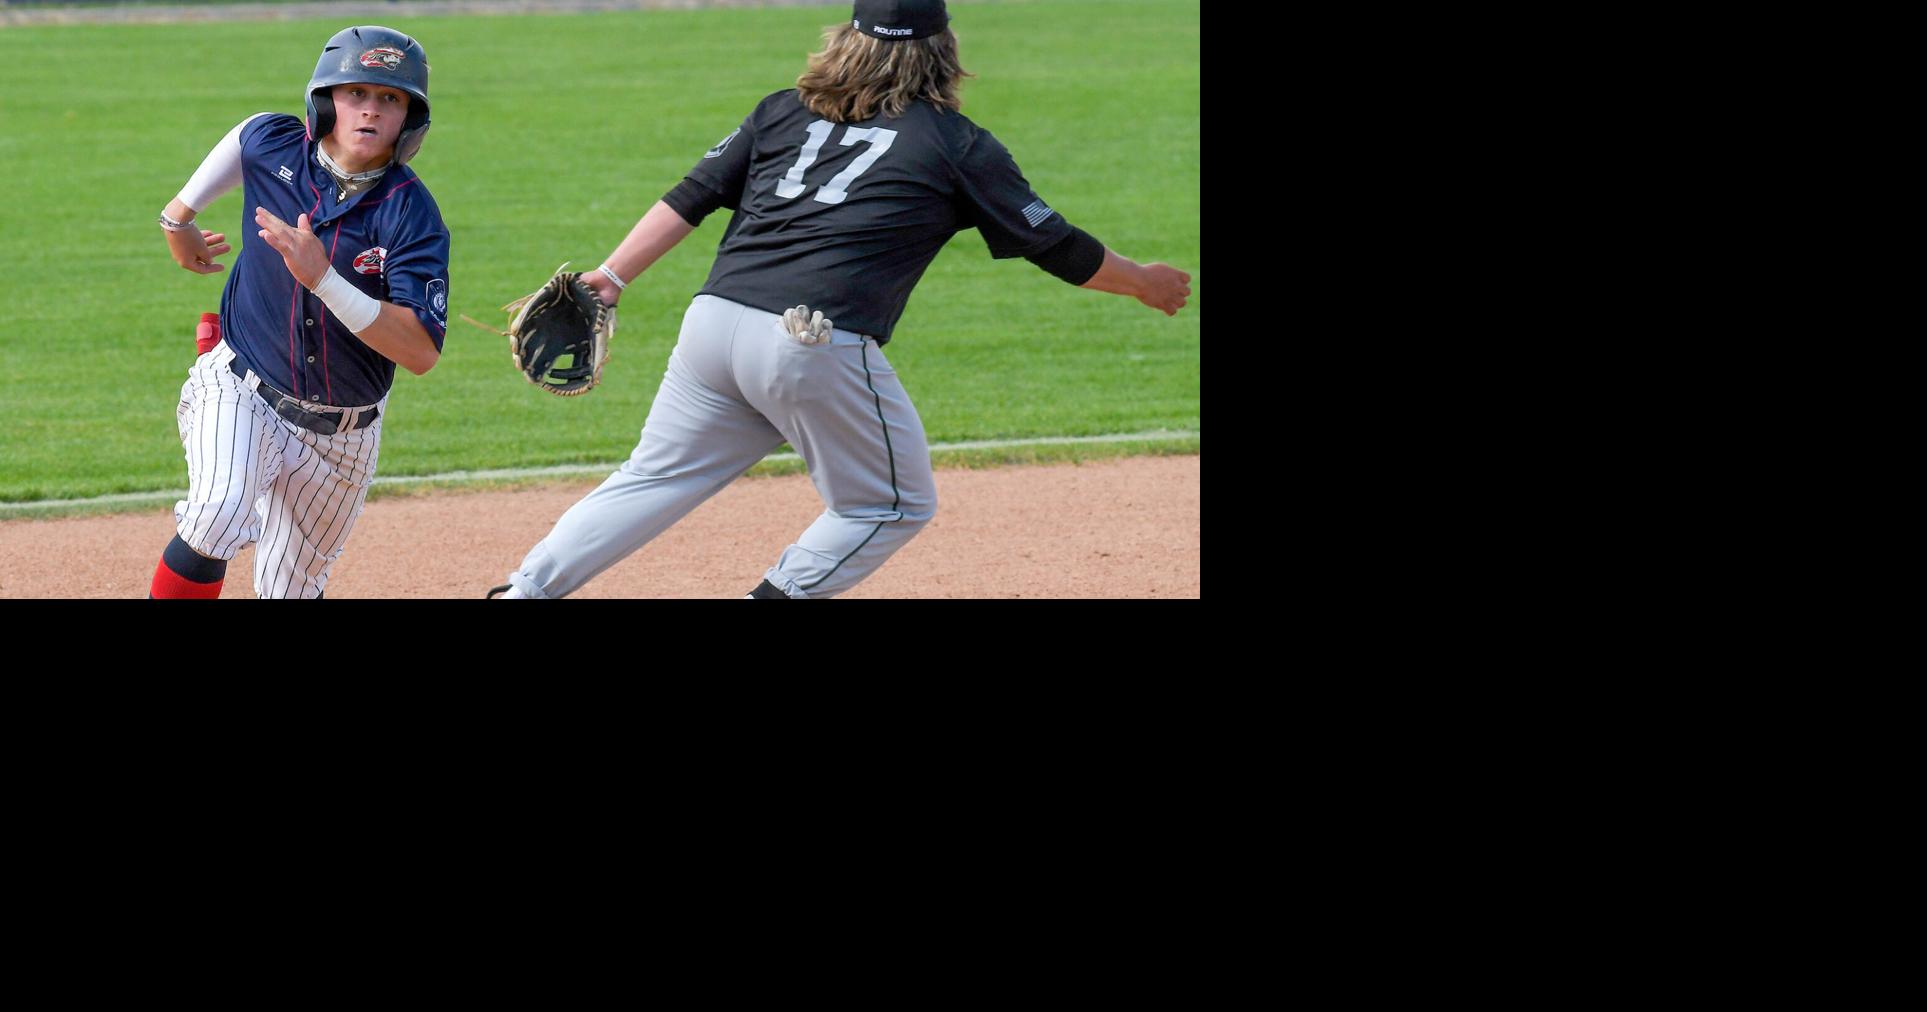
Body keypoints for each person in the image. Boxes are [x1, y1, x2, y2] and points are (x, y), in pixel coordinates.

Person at [491, 0, 1190, 600]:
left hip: (712, 326)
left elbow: (692, 196)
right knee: (890, 505)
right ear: (943, 53)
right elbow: (1059, 248)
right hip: (809, 341)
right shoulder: (954, 144)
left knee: (654, 477)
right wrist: (1145, 283)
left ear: (845, 38)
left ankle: (524, 590)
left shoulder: (780, 112)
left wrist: (610, 277)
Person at [148, 25, 450, 599]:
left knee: (290, 590)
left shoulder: (411, 214)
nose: (370, 111)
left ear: (409, 119)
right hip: (242, 387)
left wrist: (323, 280)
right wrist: (178, 219)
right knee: (216, 515)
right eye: (356, 92)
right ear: (326, 101)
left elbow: (419, 351)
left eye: (390, 99)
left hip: (343, 437)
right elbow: (245, 135)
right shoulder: (276, 146)